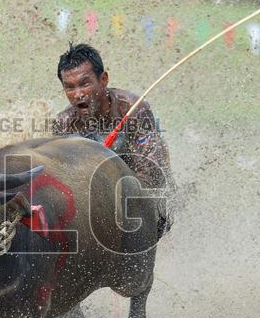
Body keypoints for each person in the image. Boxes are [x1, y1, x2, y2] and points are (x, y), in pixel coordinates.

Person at [52, 43, 174, 234]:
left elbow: (152, 172)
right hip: (96, 197)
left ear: (103, 79)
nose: (78, 94)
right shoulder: (64, 125)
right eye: (69, 87)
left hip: (142, 190)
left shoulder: (133, 110)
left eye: (85, 83)